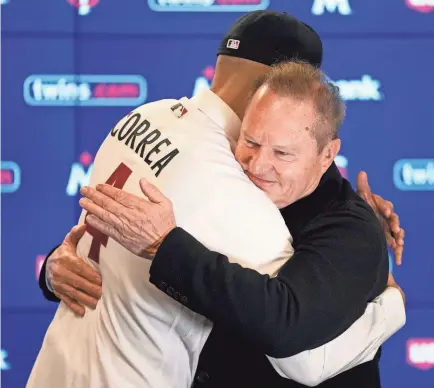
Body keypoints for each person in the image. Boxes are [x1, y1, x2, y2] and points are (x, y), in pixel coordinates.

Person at [33, 12, 405, 388]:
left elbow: (297, 346)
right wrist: (391, 306)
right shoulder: (222, 173)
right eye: (252, 141)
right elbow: (109, 236)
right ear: (265, 90)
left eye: (283, 152)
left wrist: (380, 278)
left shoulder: (148, 115)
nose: (259, 163)